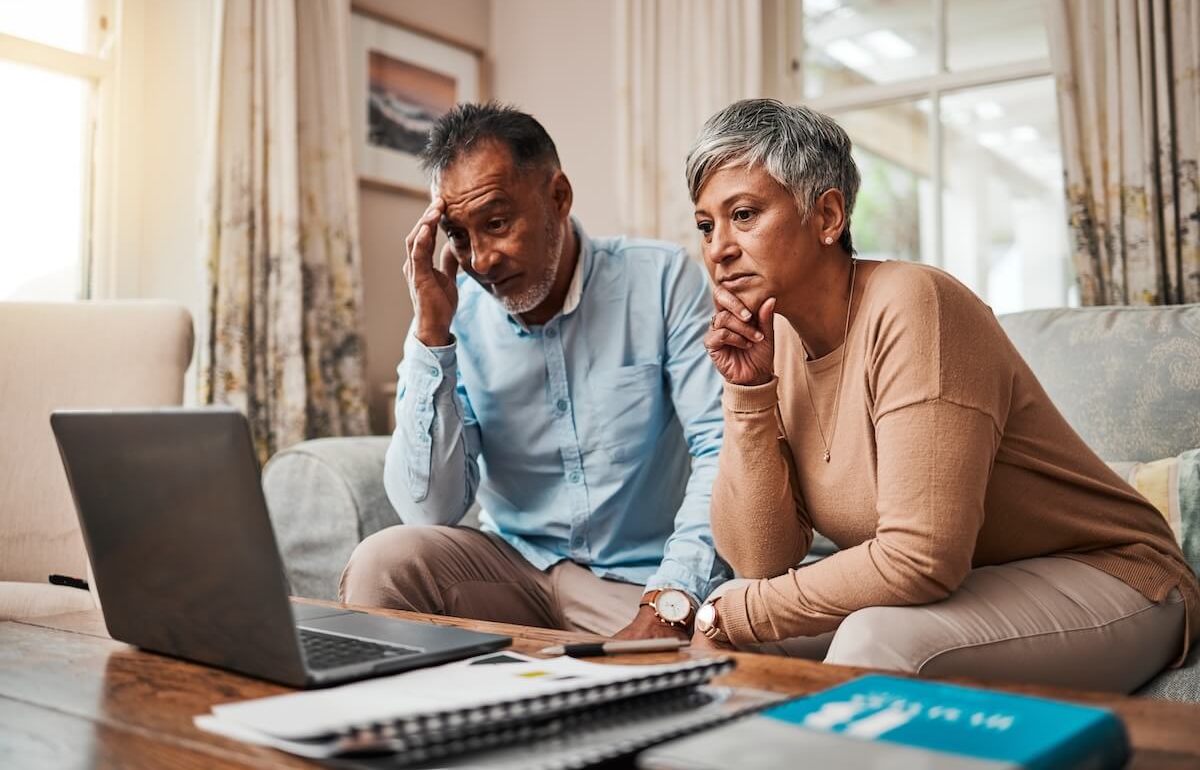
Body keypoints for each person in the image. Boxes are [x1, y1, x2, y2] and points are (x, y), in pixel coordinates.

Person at [685, 98, 1198, 692]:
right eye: (705, 225)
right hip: (980, 582)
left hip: (1114, 575)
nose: (718, 248)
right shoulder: (777, 343)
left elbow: (919, 559)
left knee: (872, 639)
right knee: (732, 631)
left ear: (827, 216)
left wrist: (738, 607)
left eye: (743, 214)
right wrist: (748, 394)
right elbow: (759, 561)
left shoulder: (917, 305)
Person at [340, 102, 729, 640]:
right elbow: (428, 509)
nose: (480, 260)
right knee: (384, 560)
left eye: (497, 223)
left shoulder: (661, 281)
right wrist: (432, 335)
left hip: (639, 581)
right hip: (515, 570)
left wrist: (671, 600)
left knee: (715, 655)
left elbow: (720, 450)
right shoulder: (454, 317)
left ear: (559, 197)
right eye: (458, 235)